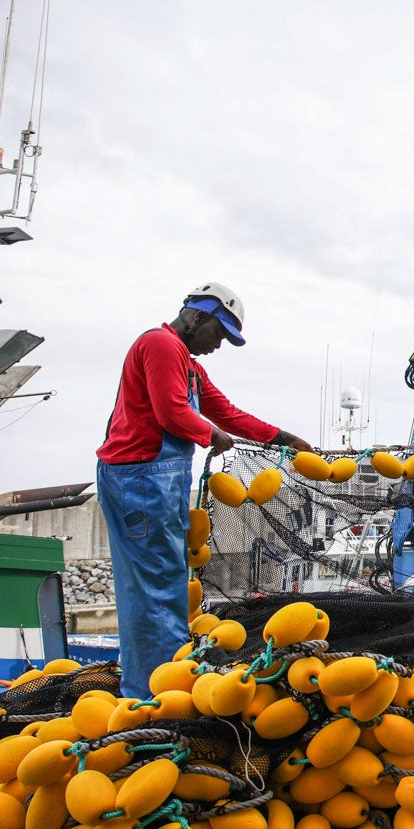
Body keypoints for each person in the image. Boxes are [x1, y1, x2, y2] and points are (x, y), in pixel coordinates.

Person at [96, 283, 313, 699]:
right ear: (196, 317)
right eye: (219, 333)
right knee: (154, 588)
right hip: (140, 479)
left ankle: (159, 684)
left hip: (157, 480)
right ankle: (152, 696)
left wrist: (281, 437)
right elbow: (172, 411)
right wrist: (209, 434)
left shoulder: (189, 365)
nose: (219, 344)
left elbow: (225, 411)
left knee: (167, 583)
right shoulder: (161, 344)